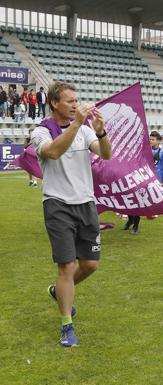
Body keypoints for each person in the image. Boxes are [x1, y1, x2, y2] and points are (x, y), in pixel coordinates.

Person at [31, 81, 111, 347]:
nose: (76, 105)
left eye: (77, 100)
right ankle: (67, 325)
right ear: (55, 103)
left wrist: (100, 133)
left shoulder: (86, 129)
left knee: (90, 265)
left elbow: (107, 155)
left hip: (86, 203)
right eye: (70, 101)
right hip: (57, 205)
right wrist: (77, 124)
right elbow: (52, 152)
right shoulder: (42, 130)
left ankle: (59, 291)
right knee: (66, 265)